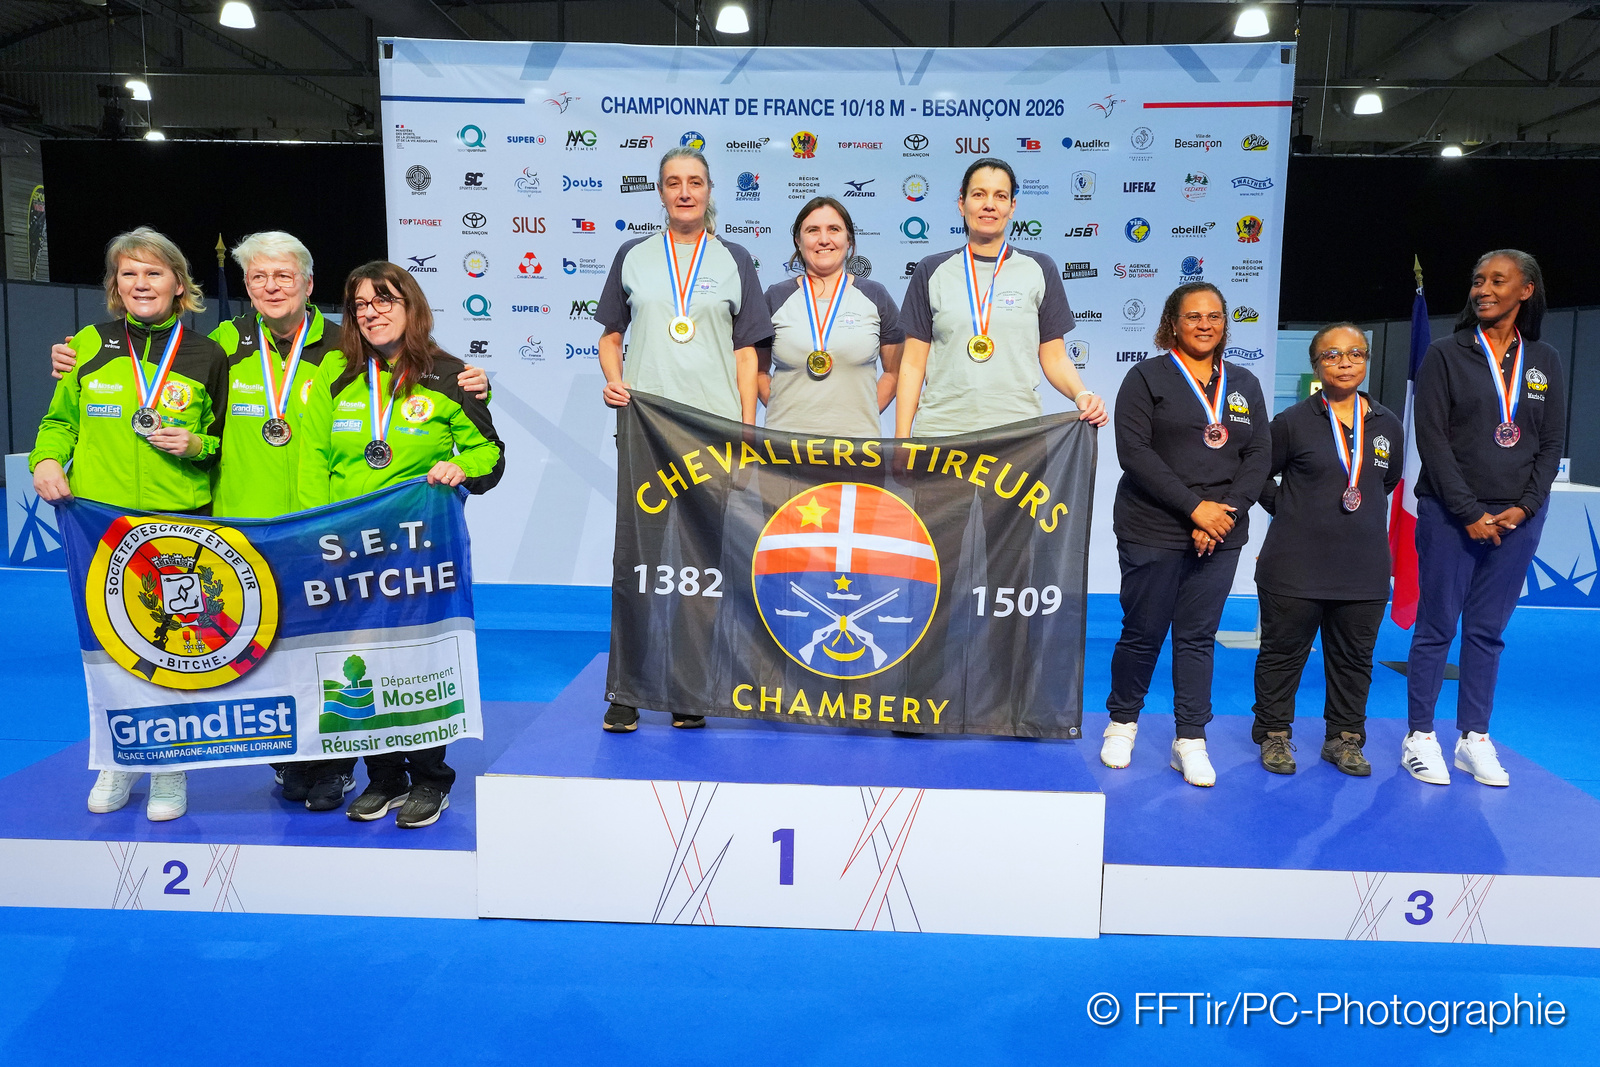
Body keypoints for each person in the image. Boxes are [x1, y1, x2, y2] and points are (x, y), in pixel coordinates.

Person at [48, 231, 490, 812]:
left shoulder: (342, 350)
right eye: (258, 277)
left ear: (309, 284)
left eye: (284, 275)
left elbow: (408, 374)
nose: (271, 286)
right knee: (266, 652)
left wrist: (472, 381)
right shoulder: (221, 345)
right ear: (247, 287)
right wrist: (70, 360)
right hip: (246, 530)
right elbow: (180, 398)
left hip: (322, 527)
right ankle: (289, 761)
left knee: (337, 650)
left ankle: (337, 767)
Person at [31, 226, 229, 822]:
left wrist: (195, 444)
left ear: (179, 284)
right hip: (101, 525)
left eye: (154, 273)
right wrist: (45, 460)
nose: (142, 284)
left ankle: (170, 765)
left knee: (175, 647)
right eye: (129, 274)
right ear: (116, 286)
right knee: (110, 646)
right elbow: (60, 422)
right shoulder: (88, 345)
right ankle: (120, 757)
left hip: (179, 525)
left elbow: (223, 443)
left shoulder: (207, 355)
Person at [297, 262, 505, 827]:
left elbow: (489, 453)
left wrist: (460, 467)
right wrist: (319, 532)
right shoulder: (335, 373)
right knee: (361, 663)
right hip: (348, 552)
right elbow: (313, 459)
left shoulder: (450, 375)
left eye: (384, 300)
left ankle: (431, 778)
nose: (372, 313)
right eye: (361, 304)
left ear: (411, 306)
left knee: (418, 661)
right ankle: (385, 777)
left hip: (418, 552)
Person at [596, 145, 773, 733]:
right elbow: (611, 336)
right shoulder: (633, 255)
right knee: (640, 561)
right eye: (673, 182)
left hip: (713, 432)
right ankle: (628, 688)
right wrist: (616, 381)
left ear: (709, 190)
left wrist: (746, 428)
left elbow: (747, 353)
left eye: (695, 182)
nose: (685, 191)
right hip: (647, 429)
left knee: (702, 564)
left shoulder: (734, 258)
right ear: (661, 192)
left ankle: (689, 686)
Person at [1402, 249, 1564, 788]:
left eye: (1498, 280)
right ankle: (1419, 737)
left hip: (1519, 519)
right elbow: (1432, 441)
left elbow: (1551, 443)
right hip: (1450, 515)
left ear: (1526, 290)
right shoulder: (1445, 354)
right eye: (1478, 280)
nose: (1483, 289)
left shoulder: (1544, 359)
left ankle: (1474, 738)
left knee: (1488, 631)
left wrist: (1527, 506)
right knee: (1436, 627)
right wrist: (1469, 512)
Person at [1100, 281, 1271, 787]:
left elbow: (1258, 454)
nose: (1204, 324)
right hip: (1153, 525)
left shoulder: (1244, 383)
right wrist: (1196, 509)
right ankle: (1122, 723)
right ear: (1173, 323)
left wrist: (1225, 514)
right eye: (1193, 316)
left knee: (1197, 636)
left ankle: (1190, 740)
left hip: (1223, 529)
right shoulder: (1146, 377)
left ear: (1225, 323)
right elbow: (1134, 453)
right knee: (1143, 630)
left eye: (1214, 316)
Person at [1251, 324, 1403, 776]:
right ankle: (1274, 734)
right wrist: (1286, 505)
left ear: (1366, 360)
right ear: (1316, 364)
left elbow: (1387, 481)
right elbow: (1256, 474)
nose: (1345, 362)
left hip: (1364, 568)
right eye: (1332, 355)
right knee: (1282, 656)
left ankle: (1344, 739)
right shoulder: (1292, 422)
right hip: (1294, 565)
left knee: (1355, 660)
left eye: (1355, 353)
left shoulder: (1387, 424)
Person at [894, 157, 1107, 436]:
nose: (989, 204)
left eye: (1000, 196)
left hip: (1017, 437)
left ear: (1012, 207)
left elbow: (1054, 357)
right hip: (942, 434)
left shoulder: (1039, 268)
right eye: (979, 194)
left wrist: (1082, 394)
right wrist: (901, 439)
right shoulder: (931, 270)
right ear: (962, 203)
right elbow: (912, 363)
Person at [757, 197, 903, 438]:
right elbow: (757, 371)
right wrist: (780, 409)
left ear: (849, 239)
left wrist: (860, 415)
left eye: (834, 229)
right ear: (798, 241)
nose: (824, 239)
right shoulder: (775, 297)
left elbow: (895, 372)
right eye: (813, 230)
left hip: (856, 445)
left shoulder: (875, 296)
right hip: (784, 446)